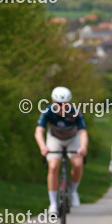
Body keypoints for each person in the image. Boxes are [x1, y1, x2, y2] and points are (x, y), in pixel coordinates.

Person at [35, 86, 88, 214]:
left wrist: (83, 147)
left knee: (77, 164)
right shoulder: (47, 111)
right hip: (55, 139)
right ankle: (53, 203)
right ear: (53, 102)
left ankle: (73, 191)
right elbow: (39, 131)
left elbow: (82, 132)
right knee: (53, 167)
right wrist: (43, 146)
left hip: (72, 139)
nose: (61, 107)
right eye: (58, 104)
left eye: (64, 104)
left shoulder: (75, 112)